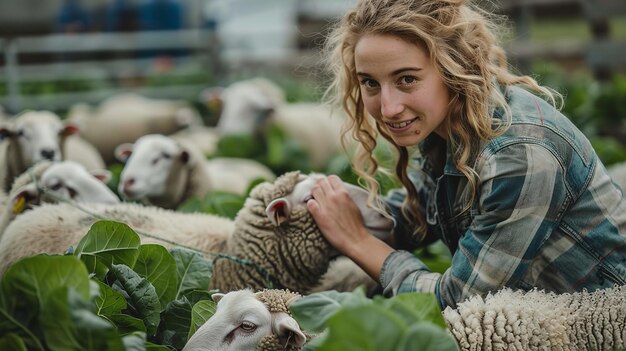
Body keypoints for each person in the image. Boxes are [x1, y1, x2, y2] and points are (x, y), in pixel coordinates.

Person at [306, 0, 626, 309]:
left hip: (603, 323)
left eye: (407, 79)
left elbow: (460, 301)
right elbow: (417, 217)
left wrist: (359, 242)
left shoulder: (520, 155)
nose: (388, 108)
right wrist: (322, 207)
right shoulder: (445, 129)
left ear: (453, 67)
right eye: (370, 83)